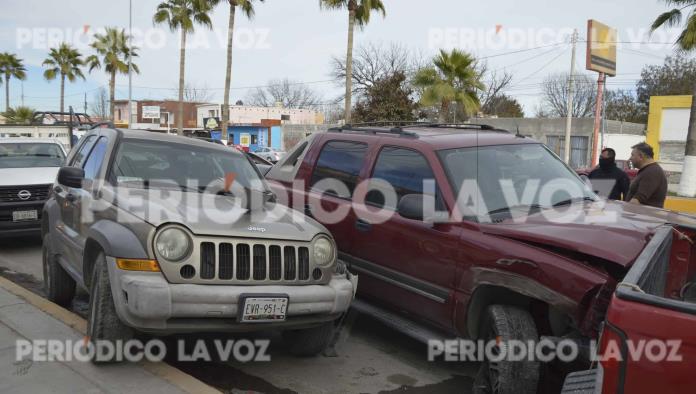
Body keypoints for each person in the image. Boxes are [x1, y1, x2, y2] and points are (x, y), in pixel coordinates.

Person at [625, 142, 668, 208]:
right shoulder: (648, 170)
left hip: (645, 216)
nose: (630, 158)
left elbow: (638, 200)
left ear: (641, 156)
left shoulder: (652, 172)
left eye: (632, 155)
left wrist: (623, 211)